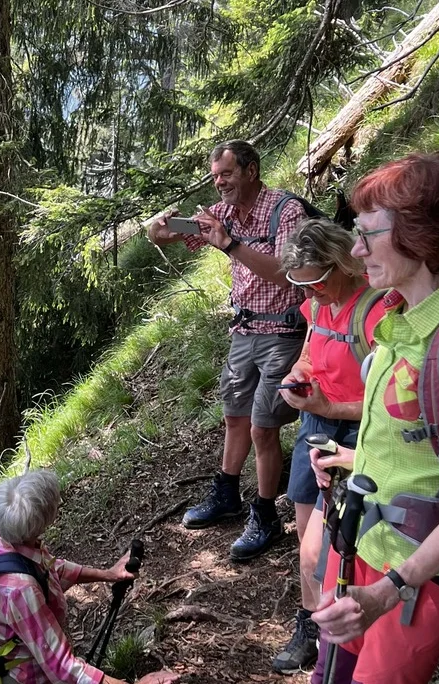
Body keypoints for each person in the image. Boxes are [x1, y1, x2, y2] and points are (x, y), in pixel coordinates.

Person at [309, 152, 439, 684]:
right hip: (360, 538)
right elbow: (425, 445)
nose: (355, 249)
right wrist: (351, 457)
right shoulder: (402, 321)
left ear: (418, 236)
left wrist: (387, 589)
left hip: (416, 576)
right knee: (328, 676)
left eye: (366, 234)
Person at [147, 139, 308, 561]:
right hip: (243, 331)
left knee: (262, 427)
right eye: (215, 176)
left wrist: (231, 245)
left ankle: (266, 513)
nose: (219, 184)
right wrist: (158, 232)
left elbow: (291, 276)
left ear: (251, 171)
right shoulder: (223, 213)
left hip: (283, 333)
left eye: (227, 174)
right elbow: (178, 235)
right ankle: (227, 494)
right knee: (235, 416)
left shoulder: (285, 211)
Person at [269, 218, 387, 674]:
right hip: (315, 421)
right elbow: (309, 352)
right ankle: (311, 625)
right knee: (307, 543)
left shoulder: (377, 311)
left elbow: (389, 409)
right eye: (300, 286)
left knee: (337, 544)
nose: (309, 295)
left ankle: (345, 633)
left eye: (316, 283)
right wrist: (296, 377)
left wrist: (331, 409)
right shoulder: (318, 305)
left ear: (343, 263)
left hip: (356, 432)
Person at [0, 470, 180, 684]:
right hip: (28, 675)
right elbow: (62, 667)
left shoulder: (4, 533)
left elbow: (50, 568)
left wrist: (109, 574)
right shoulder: (20, 590)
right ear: (39, 524)